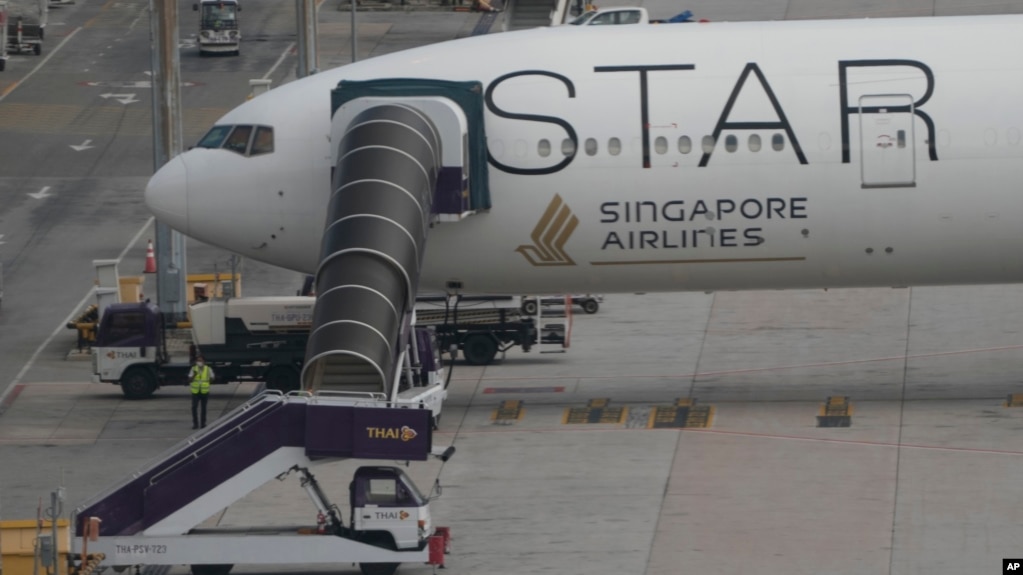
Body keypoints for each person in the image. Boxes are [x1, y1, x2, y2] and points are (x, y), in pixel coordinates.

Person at [189, 354, 214, 429]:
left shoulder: (208, 369)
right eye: (198, 360)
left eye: (200, 360)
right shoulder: (193, 369)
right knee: (194, 407)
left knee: (203, 408)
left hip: (204, 391)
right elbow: (189, 380)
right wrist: (194, 375)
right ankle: (195, 424)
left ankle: (203, 423)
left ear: (204, 362)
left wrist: (207, 382)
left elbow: (212, 378)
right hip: (195, 391)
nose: (199, 362)